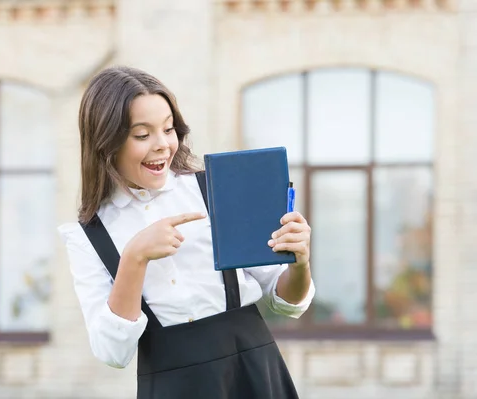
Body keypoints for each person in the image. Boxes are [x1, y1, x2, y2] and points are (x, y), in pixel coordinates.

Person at [58, 65, 315, 399]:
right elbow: (112, 352)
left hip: (253, 371)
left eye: (168, 129)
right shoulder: (87, 236)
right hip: (171, 386)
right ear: (106, 141)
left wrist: (300, 262)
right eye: (142, 134)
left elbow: (288, 303)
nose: (163, 145)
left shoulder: (216, 190)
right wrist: (135, 258)